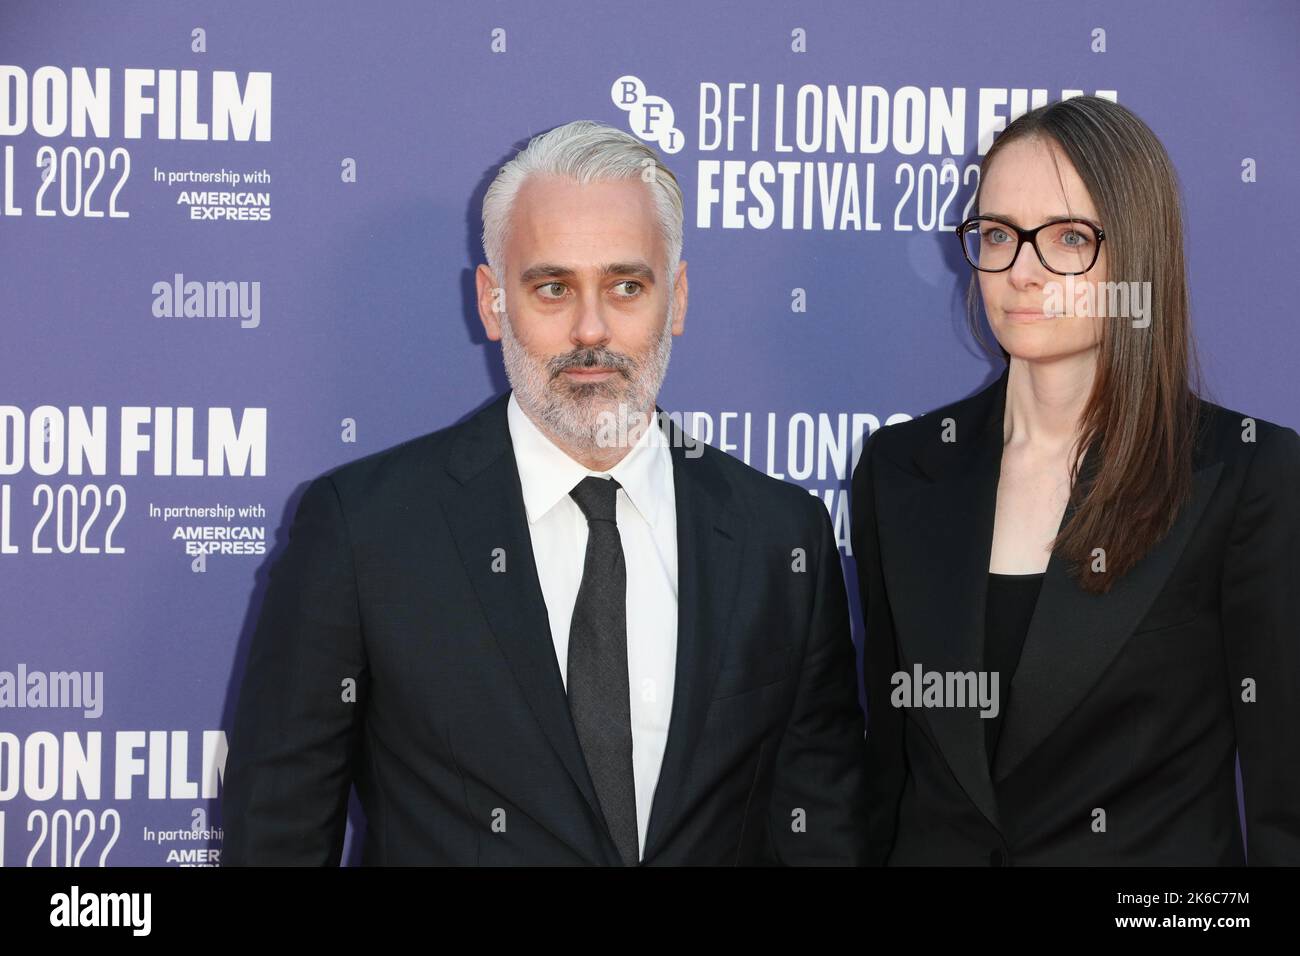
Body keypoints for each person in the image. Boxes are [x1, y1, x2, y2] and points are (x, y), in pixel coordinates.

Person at [221, 120, 868, 865]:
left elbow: (819, 831)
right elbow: (276, 836)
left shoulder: (779, 536)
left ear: (678, 299)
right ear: (494, 302)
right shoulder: (365, 534)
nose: (591, 329)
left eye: (627, 285)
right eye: (553, 287)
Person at [852, 95, 1300, 865]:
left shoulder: (1246, 474)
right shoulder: (901, 472)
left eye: (1066, 238)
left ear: (1137, 255)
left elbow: (1284, 803)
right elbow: (891, 777)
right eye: (996, 235)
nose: (1021, 272)